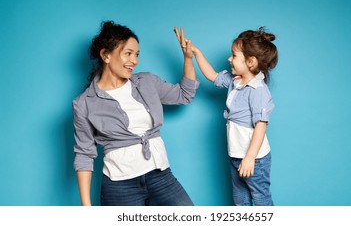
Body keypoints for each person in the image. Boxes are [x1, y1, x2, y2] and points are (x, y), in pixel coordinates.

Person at [72, 21, 199, 206]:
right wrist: (86, 207)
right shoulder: (84, 103)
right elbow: (84, 154)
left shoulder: (147, 82)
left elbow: (184, 94)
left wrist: (188, 58)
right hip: (120, 187)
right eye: (128, 54)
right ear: (106, 55)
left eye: (137, 54)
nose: (135, 61)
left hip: (160, 176)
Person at [190, 27, 278, 206]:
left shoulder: (258, 90)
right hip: (235, 154)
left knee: (261, 200)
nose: (229, 59)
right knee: (240, 200)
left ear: (251, 62)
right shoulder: (235, 81)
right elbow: (212, 75)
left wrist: (250, 158)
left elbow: (261, 126)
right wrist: (196, 53)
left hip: (254, 159)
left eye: (234, 55)